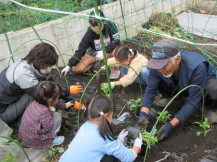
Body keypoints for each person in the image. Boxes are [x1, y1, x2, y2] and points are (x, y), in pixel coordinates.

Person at [138, 39, 217, 141]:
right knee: (158, 78)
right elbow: (150, 90)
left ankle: (208, 108)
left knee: (213, 88)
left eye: (164, 65)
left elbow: (193, 100)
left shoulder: (197, 66)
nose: (160, 69)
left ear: (177, 60)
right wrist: (142, 115)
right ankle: (175, 99)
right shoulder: (157, 67)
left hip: (203, 86)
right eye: (157, 66)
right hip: (181, 84)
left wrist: (170, 125)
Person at [59, 95, 143, 162]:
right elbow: (128, 157)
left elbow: (98, 144)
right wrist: (137, 147)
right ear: (106, 116)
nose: (112, 119)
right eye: (112, 116)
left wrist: (117, 142)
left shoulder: (85, 126)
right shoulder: (104, 138)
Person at [0, 43, 58, 124]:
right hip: (2, 115)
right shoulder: (23, 74)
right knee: (35, 95)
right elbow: (42, 95)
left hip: (8, 102)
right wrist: (63, 103)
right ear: (42, 63)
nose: (49, 68)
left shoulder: (24, 63)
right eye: (48, 65)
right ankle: (21, 124)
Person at [61, 10, 120, 75]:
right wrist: (69, 65)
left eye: (99, 25)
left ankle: (112, 67)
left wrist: (105, 51)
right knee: (77, 69)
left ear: (104, 22)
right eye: (93, 26)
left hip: (110, 50)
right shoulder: (88, 35)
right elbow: (80, 50)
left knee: (120, 52)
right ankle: (96, 64)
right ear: (90, 24)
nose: (97, 28)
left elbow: (116, 41)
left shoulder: (111, 26)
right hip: (95, 53)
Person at [19, 81, 74, 149]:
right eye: (57, 98)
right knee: (57, 116)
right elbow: (48, 128)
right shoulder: (44, 113)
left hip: (25, 136)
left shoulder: (36, 102)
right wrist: (51, 112)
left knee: (54, 115)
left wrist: (65, 105)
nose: (58, 99)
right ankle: (52, 141)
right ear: (50, 100)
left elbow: (54, 104)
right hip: (35, 142)